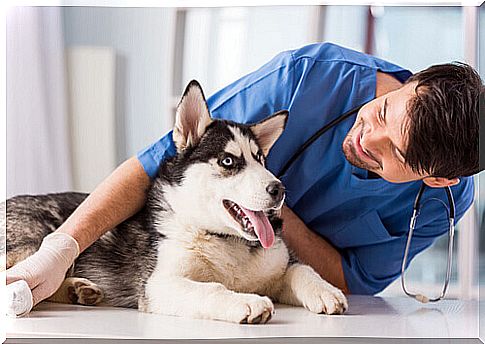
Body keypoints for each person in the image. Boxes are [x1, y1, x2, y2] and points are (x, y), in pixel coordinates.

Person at [6, 42, 482, 307]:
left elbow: (352, 281)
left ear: (437, 180)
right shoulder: (307, 76)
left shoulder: (445, 204)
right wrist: (62, 246)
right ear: (410, 82)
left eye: (392, 150)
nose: (365, 138)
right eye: (381, 112)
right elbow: (157, 163)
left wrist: (269, 208)